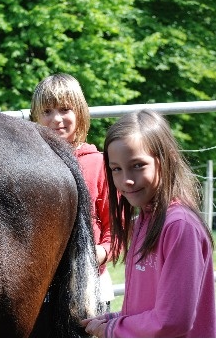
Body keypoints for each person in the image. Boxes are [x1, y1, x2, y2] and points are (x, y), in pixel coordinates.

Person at [81, 109, 216, 338]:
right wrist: (115, 318)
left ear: (167, 159)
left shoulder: (179, 227)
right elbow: (149, 309)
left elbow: (173, 321)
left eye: (138, 165)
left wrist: (114, 330)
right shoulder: (144, 221)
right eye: (117, 169)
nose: (127, 180)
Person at [30, 73, 114, 309]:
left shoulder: (99, 164)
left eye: (65, 109)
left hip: (90, 286)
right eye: (47, 111)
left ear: (80, 112)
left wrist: (98, 254)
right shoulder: (28, 166)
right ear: (36, 116)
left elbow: (115, 228)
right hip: (38, 290)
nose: (56, 119)